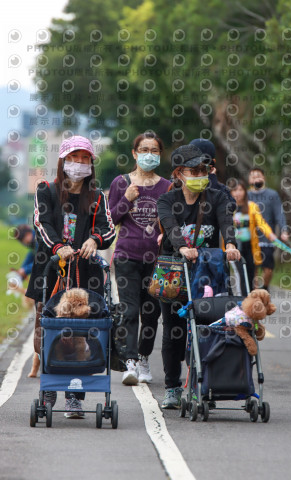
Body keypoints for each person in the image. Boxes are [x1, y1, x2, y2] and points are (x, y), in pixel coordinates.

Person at [26, 135, 116, 418]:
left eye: (85, 158)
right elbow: (41, 222)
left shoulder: (97, 197)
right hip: (50, 268)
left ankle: (75, 395)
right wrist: (58, 246)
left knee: (82, 332)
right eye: (74, 158)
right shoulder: (47, 190)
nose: (79, 163)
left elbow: (108, 227)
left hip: (84, 272)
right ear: (63, 161)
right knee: (48, 325)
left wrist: (95, 239)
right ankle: (49, 385)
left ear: (91, 164)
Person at [157, 144, 241, 409]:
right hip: (174, 271)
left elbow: (226, 222)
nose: (200, 175)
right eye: (194, 170)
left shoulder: (216, 196)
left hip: (210, 271)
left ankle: (205, 384)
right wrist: (182, 246)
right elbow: (170, 226)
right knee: (174, 331)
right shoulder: (167, 200)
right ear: (180, 173)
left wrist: (230, 244)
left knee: (211, 327)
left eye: (204, 170)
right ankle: (172, 387)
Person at [108, 131, 171, 386]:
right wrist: (126, 199)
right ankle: (130, 362)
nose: (149, 155)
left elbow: (170, 221)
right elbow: (110, 219)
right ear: (134, 154)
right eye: (144, 150)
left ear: (160, 154)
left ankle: (144, 357)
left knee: (151, 312)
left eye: (154, 151)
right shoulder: (121, 183)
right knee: (129, 310)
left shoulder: (167, 186)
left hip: (157, 261)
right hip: (126, 256)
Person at [229, 180, 277, 295]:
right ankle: (242, 302)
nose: (238, 193)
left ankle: (249, 301)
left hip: (250, 247)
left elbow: (261, 223)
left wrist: (270, 234)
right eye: (235, 190)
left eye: (241, 190)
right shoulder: (227, 208)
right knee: (240, 274)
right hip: (235, 248)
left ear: (245, 192)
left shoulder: (252, 206)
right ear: (230, 192)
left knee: (251, 274)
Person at [248, 167, 289, 291]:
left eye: (258, 176)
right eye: (253, 177)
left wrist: (284, 230)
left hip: (268, 238)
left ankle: (265, 289)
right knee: (253, 268)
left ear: (263, 178)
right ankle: (254, 293)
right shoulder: (246, 195)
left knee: (268, 268)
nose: (256, 179)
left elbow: (279, 214)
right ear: (249, 179)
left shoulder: (272, 194)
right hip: (250, 239)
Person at [189, 138, 236, 208]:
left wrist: (212, 181)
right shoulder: (176, 185)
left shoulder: (220, 188)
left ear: (212, 164)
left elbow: (229, 208)